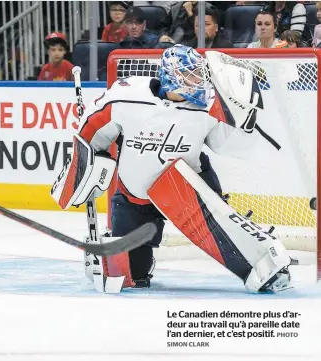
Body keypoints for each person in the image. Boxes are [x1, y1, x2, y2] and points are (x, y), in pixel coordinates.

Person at [51, 45, 291, 293]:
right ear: (170, 76)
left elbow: (227, 146)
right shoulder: (127, 96)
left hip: (187, 185)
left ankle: (267, 263)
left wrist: (245, 118)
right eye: (190, 75)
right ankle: (129, 253)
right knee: (130, 277)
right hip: (136, 194)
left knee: (229, 235)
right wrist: (83, 165)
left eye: (199, 74)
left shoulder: (206, 105)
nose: (198, 81)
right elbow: (92, 130)